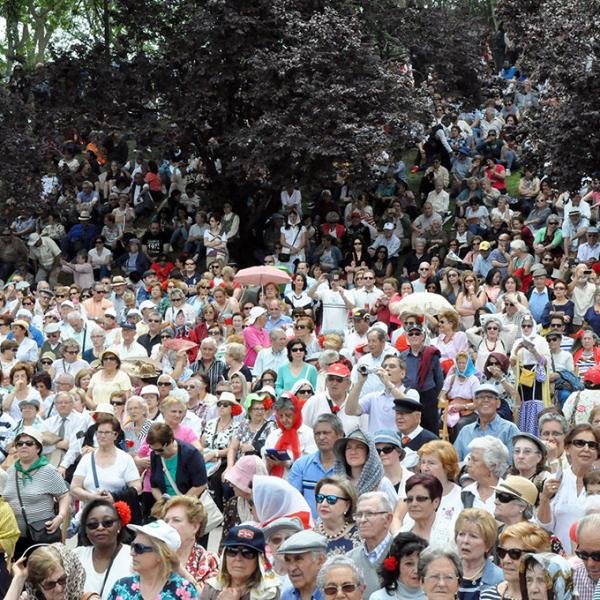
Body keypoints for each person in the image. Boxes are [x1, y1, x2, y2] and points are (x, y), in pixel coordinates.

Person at [3, 427, 69, 558]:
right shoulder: (10, 471)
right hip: (17, 538)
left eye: (29, 443)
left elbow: (64, 495)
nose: (23, 446)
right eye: (20, 444)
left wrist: (60, 517)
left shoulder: (48, 470)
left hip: (42, 536)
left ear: (38, 448)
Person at [538, 424, 600, 553]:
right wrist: (544, 498)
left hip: (594, 560)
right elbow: (545, 526)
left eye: (592, 445)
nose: (586, 449)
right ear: (567, 448)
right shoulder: (555, 479)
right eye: (579, 443)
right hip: (561, 560)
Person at [71, 415, 142, 520]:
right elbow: (74, 488)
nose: (102, 436)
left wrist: (115, 497)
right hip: (90, 515)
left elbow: (137, 487)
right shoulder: (86, 459)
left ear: (115, 435)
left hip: (116, 516)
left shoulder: (125, 459)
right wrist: (91, 497)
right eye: (99, 432)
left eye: (107, 432)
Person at [108, 519, 199, 600]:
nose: (132, 553)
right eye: (132, 546)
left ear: (161, 554)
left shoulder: (184, 590)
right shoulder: (121, 586)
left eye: (139, 548)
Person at [74, 499, 134, 600]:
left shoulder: (133, 556)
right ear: (85, 530)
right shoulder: (76, 556)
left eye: (108, 522)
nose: (100, 528)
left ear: (119, 524)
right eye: (92, 525)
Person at [346, 354, 420, 434]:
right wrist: (360, 382)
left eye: (392, 366)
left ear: (402, 373)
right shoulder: (373, 397)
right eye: (384, 367)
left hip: (399, 444)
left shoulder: (411, 393)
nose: (387, 369)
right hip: (376, 444)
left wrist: (388, 383)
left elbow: (410, 407)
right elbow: (350, 411)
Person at [288, 414, 345, 518]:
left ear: (340, 435)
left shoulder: (348, 466)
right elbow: (292, 500)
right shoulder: (301, 464)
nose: (321, 437)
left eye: (326, 433)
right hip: (307, 527)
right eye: (317, 434)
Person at [160, 496, 219, 591]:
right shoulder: (154, 555)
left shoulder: (209, 560)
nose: (168, 525)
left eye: (176, 520)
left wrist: (181, 571)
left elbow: (208, 597)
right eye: (166, 521)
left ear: (195, 527)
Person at [480, 522, 550, 600]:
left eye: (515, 553)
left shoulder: (550, 596)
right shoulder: (487, 596)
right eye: (502, 552)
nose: (506, 560)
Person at [346, 491, 394, 598]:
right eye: (359, 515)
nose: (362, 520)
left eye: (370, 514)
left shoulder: (402, 554)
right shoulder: (349, 559)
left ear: (388, 519)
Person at [454, 384, 520, 461]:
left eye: (490, 397)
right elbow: (455, 463)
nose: (485, 400)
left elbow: (513, 463)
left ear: (498, 403)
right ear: (475, 403)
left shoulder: (510, 429)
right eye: (481, 397)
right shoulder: (465, 431)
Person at [6, 543, 93, 600]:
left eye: (62, 580)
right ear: (38, 586)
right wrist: (19, 578)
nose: (59, 589)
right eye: (50, 584)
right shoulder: (31, 597)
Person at [333, 428, 397, 506]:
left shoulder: (382, 483)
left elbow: (394, 513)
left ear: (369, 453)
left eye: (359, 447)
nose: (353, 452)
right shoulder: (336, 483)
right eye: (348, 448)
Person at [400, 323, 444, 434]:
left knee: (431, 428)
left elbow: (439, 378)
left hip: (428, 395)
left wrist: (434, 394)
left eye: (417, 333)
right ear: (407, 337)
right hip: (408, 396)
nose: (414, 336)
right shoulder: (402, 356)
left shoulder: (431, 354)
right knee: (410, 427)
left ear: (423, 336)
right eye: (411, 334)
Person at [147, 422, 208, 501]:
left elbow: (200, 485)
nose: (156, 453)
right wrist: (163, 504)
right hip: (167, 504)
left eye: (159, 450)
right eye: (152, 449)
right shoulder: (155, 455)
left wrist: (179, 504)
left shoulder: (190, 454)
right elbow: (154, 487)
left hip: (190, 503)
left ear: (170, 442)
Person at [263, 393, 316, 477]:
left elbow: (310, 467)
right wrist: (269, 464)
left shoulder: (308, 434)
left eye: (288, 415)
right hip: (275, 485)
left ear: (296, 413)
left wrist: (287, 464)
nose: (284, 420)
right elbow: (264, 471)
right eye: (280, 416)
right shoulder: (273, 435)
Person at [454, 508, 503, 599]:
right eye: (461, 534)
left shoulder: (499, 579)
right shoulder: (446, 572)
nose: (465, 541)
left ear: (488, 544)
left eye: (473, 536)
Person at [371, 532, 428, 600]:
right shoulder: (379, 598)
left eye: (421, 563)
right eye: (409, 563)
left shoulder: (436, 596)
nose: (416, 570)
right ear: (396, 566)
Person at [461, 436, 509, 513]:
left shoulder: (509, 494)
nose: (468, 464)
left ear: (492, 466)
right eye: (469, 459)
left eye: (475, 460)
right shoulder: (466, 493)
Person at [313, 475, 360, 553]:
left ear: (347, 505)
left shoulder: (361, 535)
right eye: (320, 498)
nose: (323, 504)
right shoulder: (309, 537)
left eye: (331, 499)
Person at [278, 530, 327, 600]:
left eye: (298, 559)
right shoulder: (287, 596)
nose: (292, 568)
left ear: (320, 561)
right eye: (287, 560)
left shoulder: (333, 595)